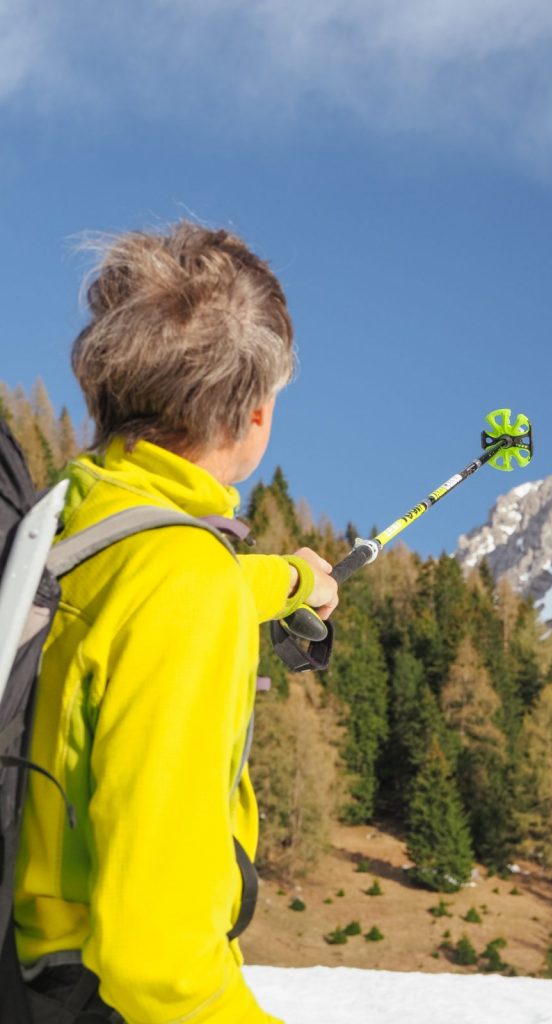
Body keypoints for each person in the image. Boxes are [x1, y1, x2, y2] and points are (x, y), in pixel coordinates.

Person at [13, 222, 337, 1022]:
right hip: (95, 998)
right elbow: (156, 960)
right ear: (256, 416)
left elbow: (156, 582)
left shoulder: (74, 521)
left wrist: (291, 579)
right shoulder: (184, 586)